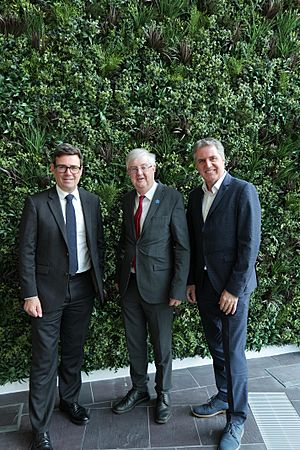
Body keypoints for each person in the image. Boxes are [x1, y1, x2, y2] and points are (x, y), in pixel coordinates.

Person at [19, 143, 105, 450]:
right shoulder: (37, 204)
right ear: (53, 170)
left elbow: (98, 245)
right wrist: (30, 293)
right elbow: (26, 252)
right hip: (47, 294)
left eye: (74, 167)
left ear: (81, 170)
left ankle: (69, 401)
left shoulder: (92, 202)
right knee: (44, 360)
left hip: (83, 289)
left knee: (73, 352)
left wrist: (101, 282)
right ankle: (40, 427)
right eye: (63, 167)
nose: (69, 172)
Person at [186, 138, 261, 450]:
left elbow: (249, 244)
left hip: (232, 290)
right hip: (204, 288)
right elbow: (194, 242)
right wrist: (191, 281)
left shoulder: (242, 190)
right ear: (196, 165)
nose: (208, 165)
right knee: (216, 347)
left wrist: (233, 289)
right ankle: (223, 395)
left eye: (213, 159)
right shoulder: (195, 196)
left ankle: (237, 418)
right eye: (202, 161)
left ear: (223, 159)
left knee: (232, 352)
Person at [112, 148, 190, 424]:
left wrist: (178, 288)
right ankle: (139, 389)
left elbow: (182, 246)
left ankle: (164, 393)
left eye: (144, 167)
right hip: (130, 285)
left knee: (162, 345)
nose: (140, 173)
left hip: (160, 286)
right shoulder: (126, 200)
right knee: (134, 342)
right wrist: (121, 274)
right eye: (134, 169)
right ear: (128, 173)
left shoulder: (171, 198)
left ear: (154, 168)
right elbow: (125, 241)